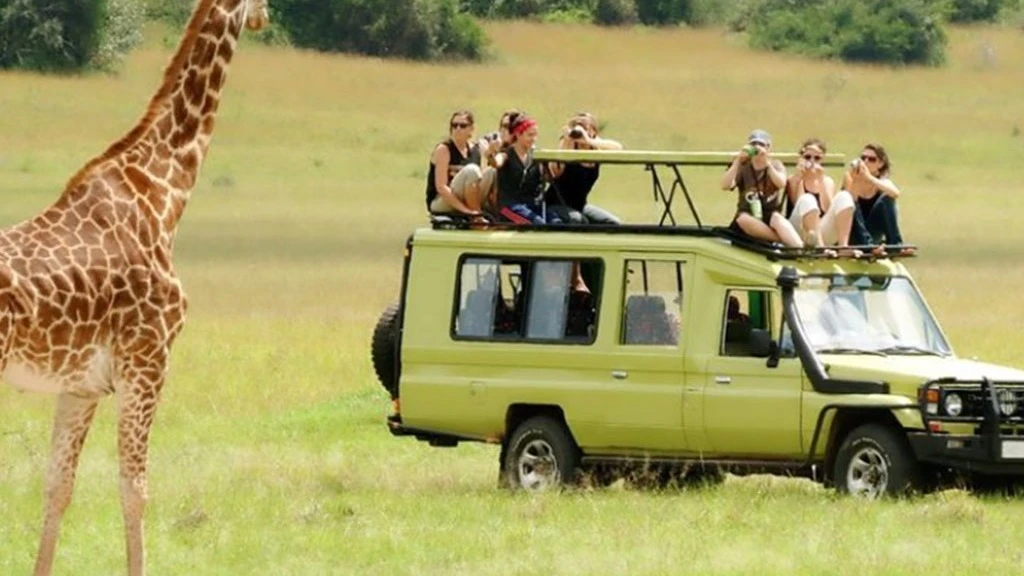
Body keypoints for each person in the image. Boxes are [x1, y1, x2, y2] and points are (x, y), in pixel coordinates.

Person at [721, 129, 803, 247]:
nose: (757, 148)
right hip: (748, 216)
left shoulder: (775, 165)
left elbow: (781, 183)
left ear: (768, 148)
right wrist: (738, 161)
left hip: (769, 215)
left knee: (778, 219)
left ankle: (800, 248)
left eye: (761, 145)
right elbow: (725, 185)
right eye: (753, 145)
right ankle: (781, 240)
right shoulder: (743, 166)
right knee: (742, 219)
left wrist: (767, 164)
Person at [545, 111, 623, 225]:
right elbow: (554, 171)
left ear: (593, 131)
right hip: (556, 204)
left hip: (580, 205)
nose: (580, 131)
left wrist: (589, 140)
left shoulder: (596, 148)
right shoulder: (569, 146)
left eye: (585, 128)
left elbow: (618, 148)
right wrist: (567, 141)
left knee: (614, 223)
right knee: (578, 220)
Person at [784, 138, 858, 255]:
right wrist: (802, 179)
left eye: (817, 158)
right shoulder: (794, 180)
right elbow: (798, 204)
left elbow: (828, 209)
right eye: (808, 157)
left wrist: (820, 180)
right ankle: (820, 248)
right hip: (799, 231)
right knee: (808, 199)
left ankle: (843, 246)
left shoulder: (827, 181)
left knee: (844, 196)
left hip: (820, 232)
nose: (812, 161)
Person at [842, 143, 913, 255]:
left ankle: (895, 245)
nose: (866, 162)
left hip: (872, 231)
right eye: (863, 158)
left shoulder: (882, 182)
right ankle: (869, 247)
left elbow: (895, 193)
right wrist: (856, 180)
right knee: (852, 203)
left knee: (887, 199)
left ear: (880, 164)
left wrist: (869, 178)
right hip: (854, 234)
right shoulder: (850, 178)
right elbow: (847, 205)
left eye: (872, 159)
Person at [493, 112, 562, 224]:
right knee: (537, 223)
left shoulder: (537, 155)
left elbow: (550, 177)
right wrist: (491, 154)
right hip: (510, 206)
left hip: (533, 205)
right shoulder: (507, 154)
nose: (534, 139)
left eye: (535, 135)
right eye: (530, 135)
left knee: (556, 222)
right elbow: (496, 163)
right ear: (518, 134)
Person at [425, 110, 490, 224]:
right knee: (472, 170)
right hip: (442, 201)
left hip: (467, 198)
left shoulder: (476, 150)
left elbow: (480, 181)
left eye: (462, 125)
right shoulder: (444, 149)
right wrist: (466, 211)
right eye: (454, 125)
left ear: (471, 129)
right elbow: (441, 188)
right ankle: (476, 218)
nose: (457, 129)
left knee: (491, 173)